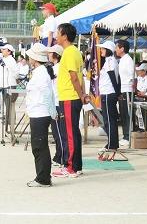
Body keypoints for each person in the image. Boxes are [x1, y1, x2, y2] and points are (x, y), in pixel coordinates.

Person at [52, 23, 87, 178]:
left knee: (69, 134)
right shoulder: (74, 52)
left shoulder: (69, 52)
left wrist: (81, 95)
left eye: (58, 33)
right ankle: (76, 166)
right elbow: (81, 76)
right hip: (71, 97)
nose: (55, 35)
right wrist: (83, 94)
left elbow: (74, 77)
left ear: (64, 36)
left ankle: (71, 167)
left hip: (69, 97)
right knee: (73, 132)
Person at [25, 43, 57, 187]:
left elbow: (46, 93)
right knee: (39, 146)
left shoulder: (41, 72)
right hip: (38, 112)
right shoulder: (40, 71)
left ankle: (43, 178)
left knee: (39, 146)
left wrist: (52, 111)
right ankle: (43, 176)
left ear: (35, 58)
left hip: (41, 113)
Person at [97, 41, 120, 152]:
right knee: (108, 120)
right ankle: (112, 142)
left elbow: (113, 78)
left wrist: (116, 94)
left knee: (109, 120)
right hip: (107, 93)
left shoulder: (111, 61)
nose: (101, 50)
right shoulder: (108, 61)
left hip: (108, 93)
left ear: (108, 50)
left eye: (103, 49)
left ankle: (112, 144)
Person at [47, 44, 66, 167]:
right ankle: (59, 155)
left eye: (50, 53)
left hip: (58, 102)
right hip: (55, 102)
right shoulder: (54, 67)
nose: (48, 55)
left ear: (56, 55)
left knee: (58, 131)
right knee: (56, 131)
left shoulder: (58, 68)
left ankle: (62, 157)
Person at [115, 40, 134, 147]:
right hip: (122, 89)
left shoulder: (128, 60)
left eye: (117, 47)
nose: (115, 49)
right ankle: (125, 135)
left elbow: (132, 76)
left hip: (127, 89)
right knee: (123, 113)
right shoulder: (122, 60)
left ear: (122, 48)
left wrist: (131, 88)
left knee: (127, 114)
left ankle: (128, 136)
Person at [0, 44, 19, 126]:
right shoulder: (3, 59)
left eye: (4, 49)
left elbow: (16, 73)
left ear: (9, 51)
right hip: (3, 84)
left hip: (10, 84)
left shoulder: (11, 60)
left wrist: (9, 68)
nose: (2, 51)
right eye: (2, 49)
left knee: (10, 105)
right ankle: (7, 120)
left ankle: (11, 121)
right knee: (6, 105)